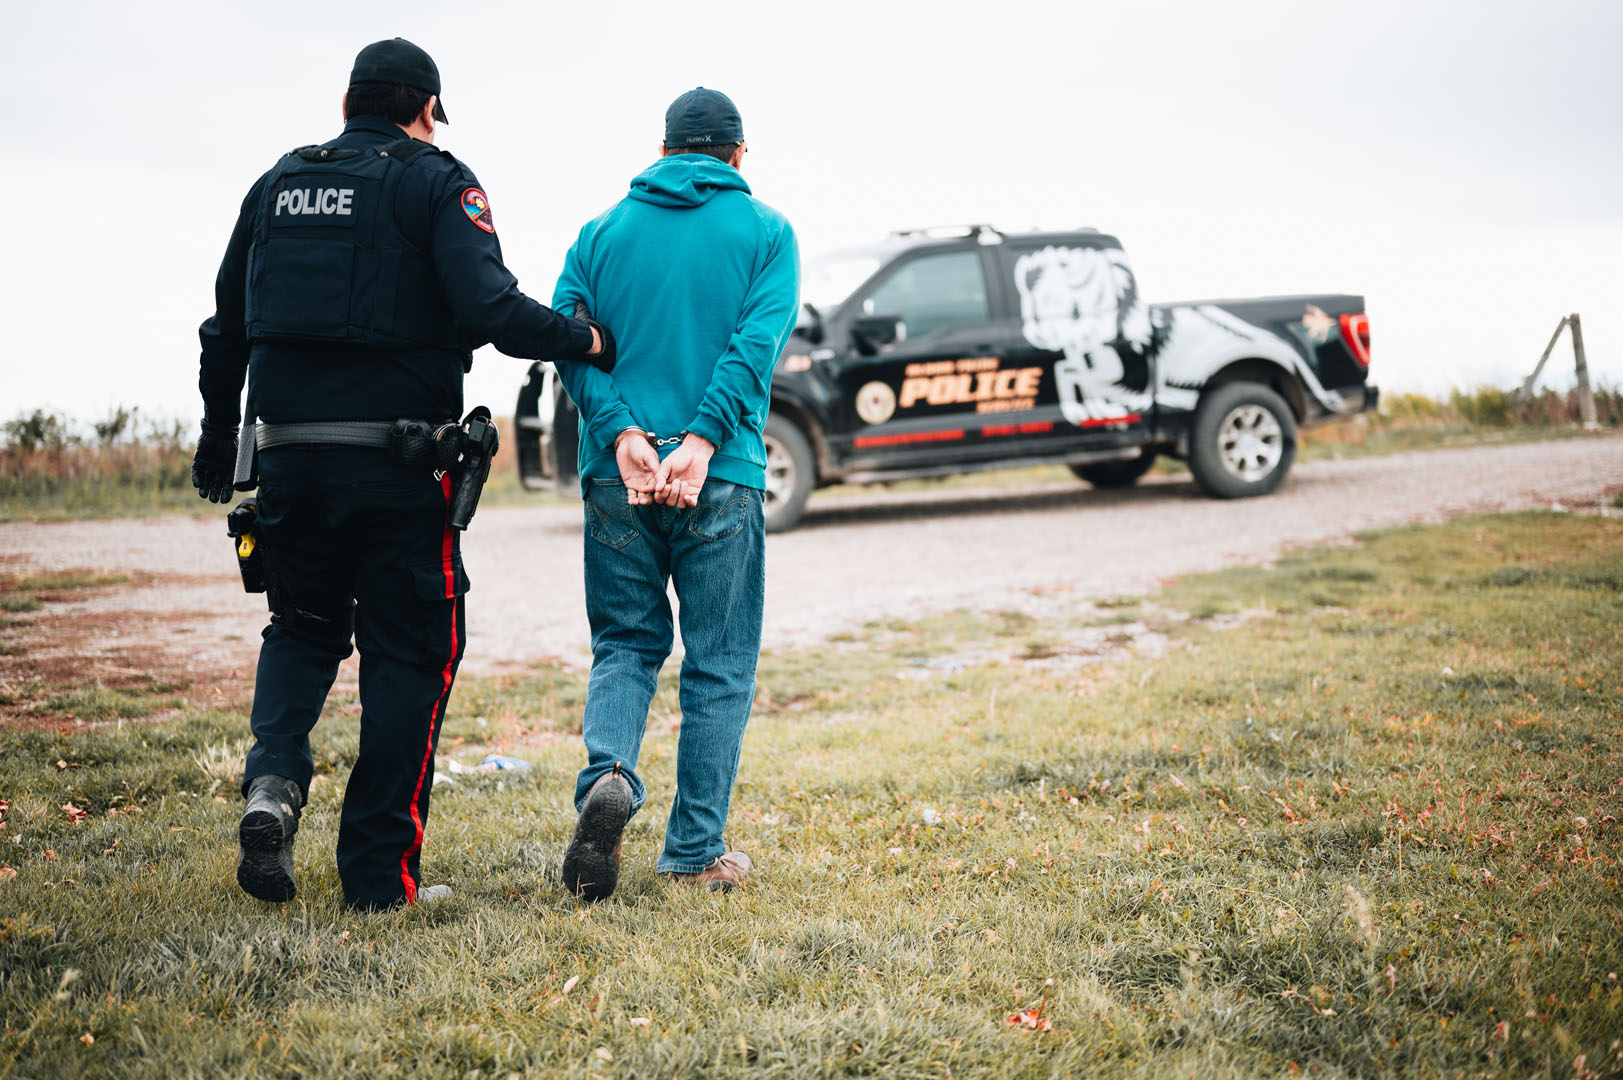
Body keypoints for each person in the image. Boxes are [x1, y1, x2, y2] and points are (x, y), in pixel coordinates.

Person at [191, 38, 614, 912]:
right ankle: (378, 881)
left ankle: (272, 785)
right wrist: (587, 339)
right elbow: (488, 307)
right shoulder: (435, 178)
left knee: (302, 630)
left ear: (349, 104)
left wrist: (214, 436)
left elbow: (224, 327)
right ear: (424, 108)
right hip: (395, 471)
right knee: (410, 657)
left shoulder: (275, 183)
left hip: (286, 468)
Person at [550, 87, 800, 901]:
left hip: (614, 473)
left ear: (664, 152)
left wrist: (623, 432)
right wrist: (698, 442)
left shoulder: (598, 234)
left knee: (625, 645)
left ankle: (608, 778)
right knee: (719, 664)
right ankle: (693, 853)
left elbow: (568, 341)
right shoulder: (765, 232)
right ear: (736, 156)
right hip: (720, 476)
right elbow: (752, 346)